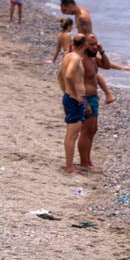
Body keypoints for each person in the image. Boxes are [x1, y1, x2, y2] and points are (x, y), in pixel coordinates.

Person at [77, 34, 130, 174]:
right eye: (91, 45)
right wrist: (85, 103)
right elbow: (77, 83)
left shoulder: (93, 57)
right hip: (86, 98)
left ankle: (88, 161)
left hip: (93, 98)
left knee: (93, 130)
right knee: (86, 131)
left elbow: (107, 66)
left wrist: (101, 51)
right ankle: (84, 163)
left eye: (95, 44)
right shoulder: (81, 60)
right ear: (84, 45)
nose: (94, 47)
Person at [57, 33, 88, 174]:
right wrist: (74, 95)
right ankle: (69, 167)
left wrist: (66, 91)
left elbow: (60, 76)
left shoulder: (68, 56)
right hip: (74, 100)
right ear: (85, 44)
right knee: (72, 134)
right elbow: (68, 75)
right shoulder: (75, 58)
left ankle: (70, 165)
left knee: (72, 133)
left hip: (71, 97)